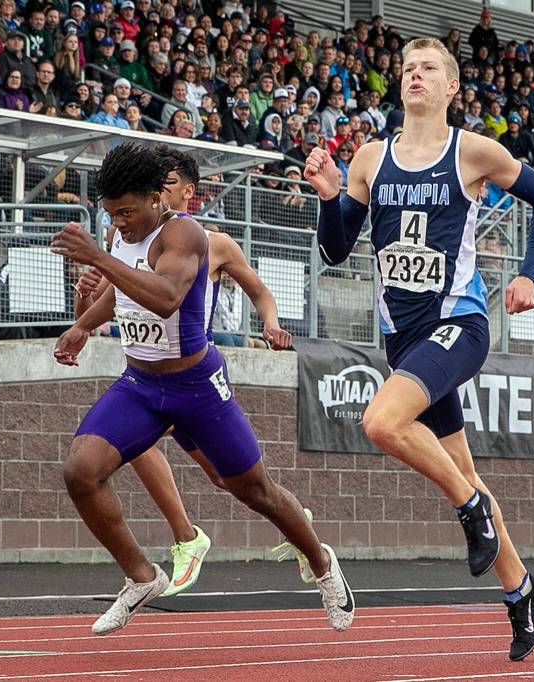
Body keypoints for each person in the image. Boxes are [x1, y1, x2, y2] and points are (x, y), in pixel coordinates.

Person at [305, 37, 534, 662]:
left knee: (381, 422)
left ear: (451, 87)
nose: (415, 76)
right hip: (403, 337)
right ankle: (522, 588)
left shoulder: (472, 151)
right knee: (462, 469)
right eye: (407, 68)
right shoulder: (369, 157)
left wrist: (528, 275)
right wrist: (329, 196)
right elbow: (337, 251)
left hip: (458, 324)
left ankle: (472, 511)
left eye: (428, 69)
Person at [49, 143, 353, 636]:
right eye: (111, 214)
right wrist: (83, 324)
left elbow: (167, 298)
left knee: (255, 491)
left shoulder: (187, 234)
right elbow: (121, 293)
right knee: (80, 472)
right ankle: (140, 577)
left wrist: (99, 257)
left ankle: (321, 562)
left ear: (156, 199)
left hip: (197, 387)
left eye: (126, 212)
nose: (120, 222)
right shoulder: (119, 233)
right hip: (142, 384)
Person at [73, 146, 293, 597]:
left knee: (226, 478)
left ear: (186, 192)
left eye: (168, 186)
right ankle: (186, 537)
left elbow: (258, 290)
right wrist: (82, 317)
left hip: (194, 376)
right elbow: (114, 296)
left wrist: (270, 323)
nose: (160, 194)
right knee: (124, 448)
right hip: (145, 373)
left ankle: (282, 520)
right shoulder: (128, 236)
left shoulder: (211, 242)